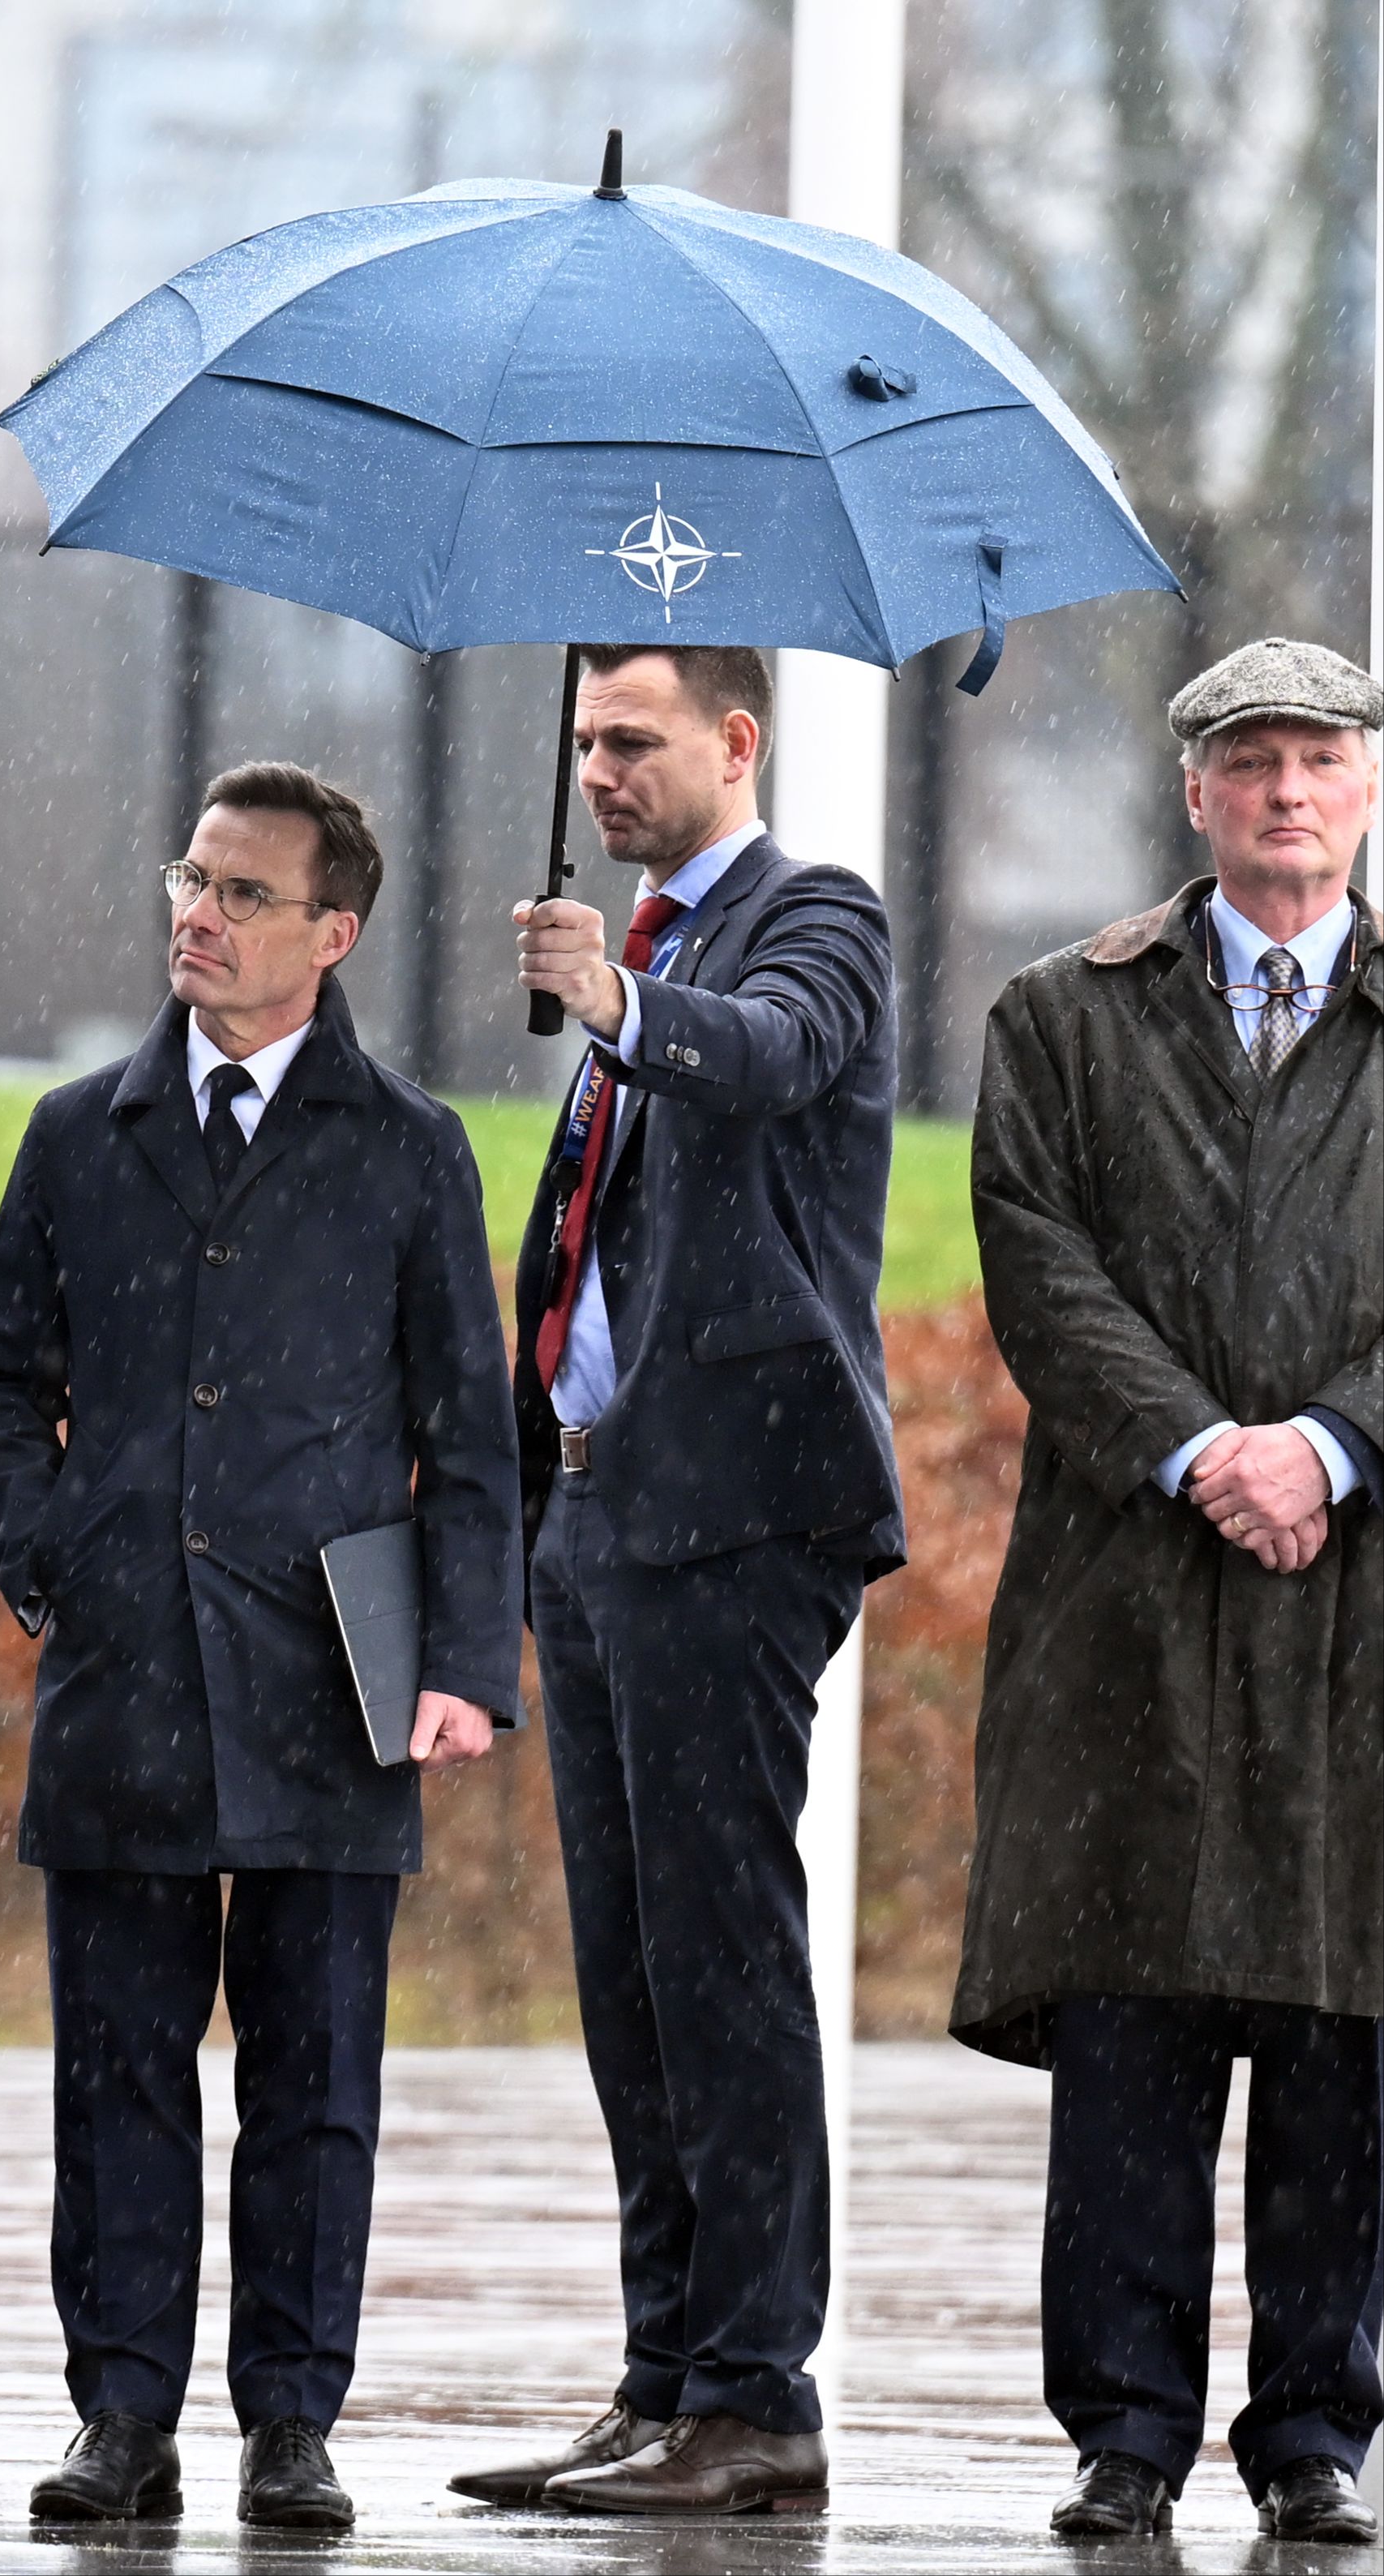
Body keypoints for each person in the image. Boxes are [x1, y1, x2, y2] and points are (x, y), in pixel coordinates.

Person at [0, 761, 519, 2534]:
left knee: (313, 2077)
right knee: (113, 2074)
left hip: (329, 1679)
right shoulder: (73, 1135)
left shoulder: (408, 1148)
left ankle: (290, 2419)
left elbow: (474, 1436)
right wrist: (53, 1566)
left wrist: (463, 1660)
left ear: (330, 934)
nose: (198, 911)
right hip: (118, 1671)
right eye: (189, 877)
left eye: (243, 892)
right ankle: (118, 2418)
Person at [456, 643, 900, 2518]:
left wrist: (620, 991)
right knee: (633, 1970)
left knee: (724, 1954)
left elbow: (773, 1053)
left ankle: (757, 2387)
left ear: (737, 740)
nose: (600, 767)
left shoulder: (813, 919)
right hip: (597, 1511)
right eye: (581, 740)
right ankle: (663, 2375)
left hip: (738, 1509)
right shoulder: (643, 955)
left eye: (631, 739)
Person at [958, 638, 1384, 2546]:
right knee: (1128, 2026)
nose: (1285, 789)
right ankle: (1120, 2424)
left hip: (1359, 1600)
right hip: (1126, 1581)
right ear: (1193, 792)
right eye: (1249, 762)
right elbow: (1035, 1263)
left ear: (1364, 788)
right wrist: (1206, 1443)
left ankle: (1314, 2426)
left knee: (1342, 2022)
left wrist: (1329, 1445)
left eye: (1319, 757)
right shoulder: (1062, 1014)